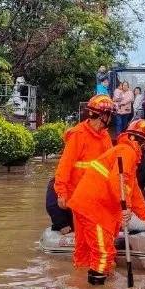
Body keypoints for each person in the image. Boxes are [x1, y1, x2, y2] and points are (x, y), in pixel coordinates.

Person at [68, 119, 145, 285]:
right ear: (143, 141)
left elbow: (134, 191)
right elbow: (118, 181)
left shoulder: (122, 150)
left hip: (85, 204)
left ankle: (80, 288)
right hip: (95, 208)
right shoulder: (127, 152)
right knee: (103, 253)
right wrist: (127, 209)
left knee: (85, 252)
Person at [45, 95, 114, 234]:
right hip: (74, 194)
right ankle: (62, 224)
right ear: (103, 116)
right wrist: (62, 194)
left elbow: (111, 168)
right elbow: (65, 166)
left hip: (91, 195)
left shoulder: (105, 137)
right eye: (109, 115)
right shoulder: (78, 135)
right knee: (53, 189)